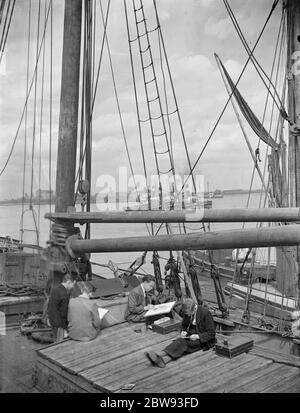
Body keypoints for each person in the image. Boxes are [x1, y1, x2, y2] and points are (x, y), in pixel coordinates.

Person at [145, 297, 216, 368]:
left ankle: (159, 354)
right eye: (187, 314)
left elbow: (211, 333)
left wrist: (198, 336)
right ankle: (164, 360)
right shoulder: (186, 311)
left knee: (182, 343)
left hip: (204, 339)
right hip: (191, 333)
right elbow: (184, 325)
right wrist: (183, 331)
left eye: (189, 314)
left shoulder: (205, 313)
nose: (188, 315)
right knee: (182, 344)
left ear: (194, 308)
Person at [47, 273, 76, 342]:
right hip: (59, 324)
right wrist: (65, 327)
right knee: (59, 342)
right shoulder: (64, 294)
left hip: (52, 320)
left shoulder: (55, 289)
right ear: (68, 282)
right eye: (73, 284)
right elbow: (63, 313)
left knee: (55, 339)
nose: (72, 287)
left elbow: (50, 304)